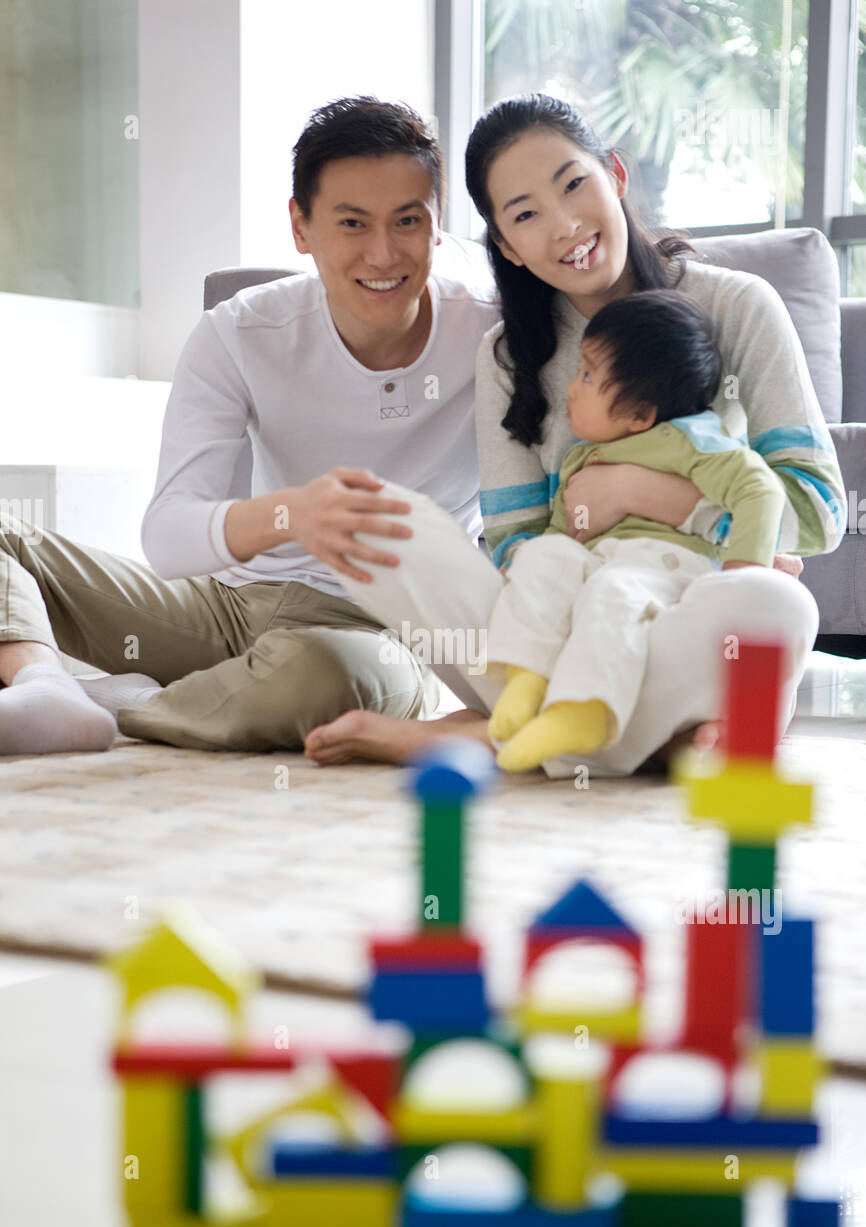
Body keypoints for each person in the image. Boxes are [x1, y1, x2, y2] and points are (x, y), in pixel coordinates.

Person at [303, 93, 844, 775]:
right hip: (556, 620)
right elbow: (514, 549)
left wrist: (639, 492)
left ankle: (501, 736)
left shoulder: (735, 307)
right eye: (527, 214)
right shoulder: (510, 357)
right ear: (508, 246)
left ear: (615, 176)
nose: (564, 227)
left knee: (779, 605)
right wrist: (584, 554)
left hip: (683, 609)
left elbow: (820, 512)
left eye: (573, 185)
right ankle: (633, 732)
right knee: (379, 519)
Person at [0, 97, 500, 756]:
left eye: (407, 221)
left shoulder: (494, 335)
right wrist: (292, 515)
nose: (383, 254)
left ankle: (130, 705)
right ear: (301, 226)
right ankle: (45, 683)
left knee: (322, 675)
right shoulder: (240, 332)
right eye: (352, 223)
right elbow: (169, 536)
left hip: (385, 634)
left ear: (437, 226)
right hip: (233, 606)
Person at [485, 289, 786, 771]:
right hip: (604, 565)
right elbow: (567, 541)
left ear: (641, 415)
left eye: (587, 375)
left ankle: (584, 711)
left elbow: (761, 491)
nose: (571, 387)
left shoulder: (689, 441)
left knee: (611, 588)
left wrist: (741, 574)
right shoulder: (581, 459)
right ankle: (527, 676)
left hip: (667, 572)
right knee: (544, 556)